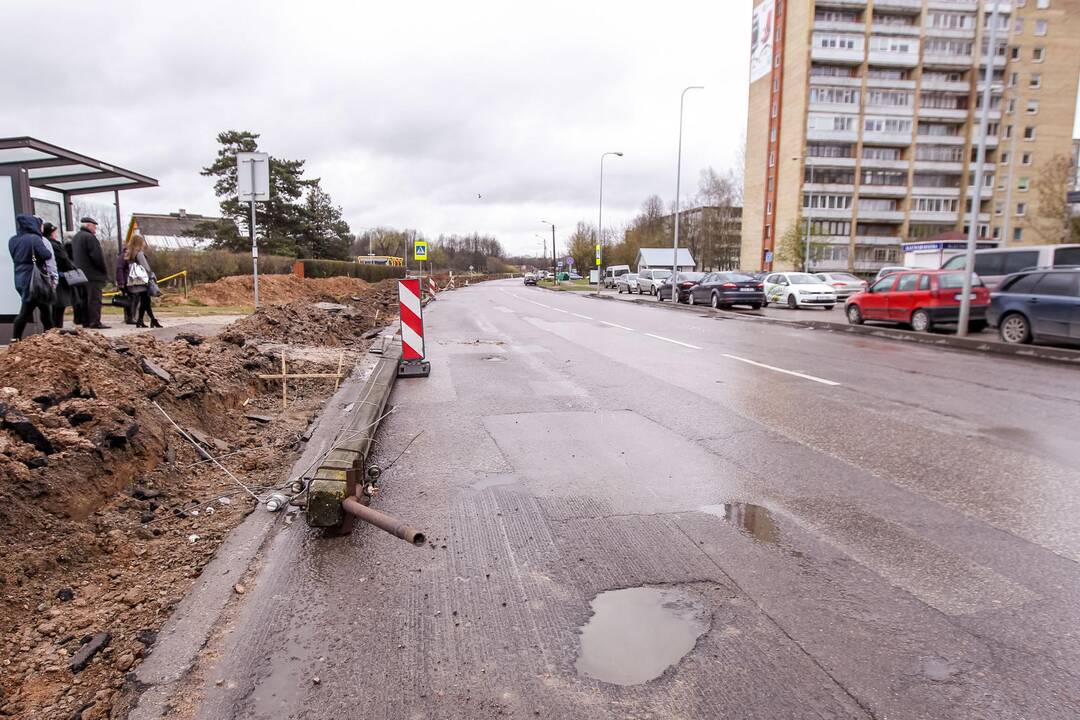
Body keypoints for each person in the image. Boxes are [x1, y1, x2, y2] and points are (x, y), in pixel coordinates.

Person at [7, 214, 56, 340]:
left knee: (44, 308)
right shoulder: (34, 238)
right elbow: (46, 255)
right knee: (26, 310)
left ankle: (49, 336)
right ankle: (16, 338)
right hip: (34, 280)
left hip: (19, 277)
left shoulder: (13, 240)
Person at [70, 216, 109, 329]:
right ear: (88, 225)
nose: (95, 229)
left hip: (80, 274)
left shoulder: (76, 238)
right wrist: (103, 271)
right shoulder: (90, 238)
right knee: (94, 299)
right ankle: (95, 322)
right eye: (94, 226)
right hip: (92, 275)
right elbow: (97, 257)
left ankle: (85, 321)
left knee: (83, 299)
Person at [122, 234, 161, 328]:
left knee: (145, 301)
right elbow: (146, 267)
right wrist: (151, 276)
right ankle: (151, 320)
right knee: (145, 301)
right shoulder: (139, 254)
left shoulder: (129, 254)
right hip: (143, 280)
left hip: (134, 281)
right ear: (139, 243)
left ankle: (143, 320)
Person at [42, 222, 76, 328]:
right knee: (59, 307)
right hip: (59, 278)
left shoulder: (46, 243)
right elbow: (64, 259)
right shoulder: (54, 245)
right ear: (51, 233)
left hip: (54, 277)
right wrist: (73, 267)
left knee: (55, 307)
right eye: (54, 232)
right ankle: (56, 330)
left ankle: (54, 329)